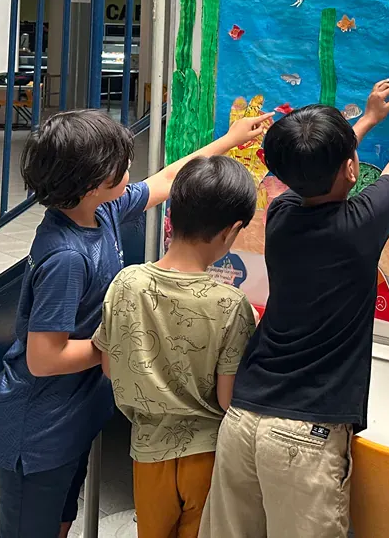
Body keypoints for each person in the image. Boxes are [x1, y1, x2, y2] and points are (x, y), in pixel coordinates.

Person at [0, 108, 271, 538]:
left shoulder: (102, 210)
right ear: (93, 182)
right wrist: (132, 340)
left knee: (61, 519)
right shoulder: (66, 256)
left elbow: (169, 180)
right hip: (39, 430)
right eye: (122, 164)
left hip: (73, 416)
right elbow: (43, 358)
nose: (132, 169)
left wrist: (230, 140)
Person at [199, 72, 389, 538]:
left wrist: (366, 118)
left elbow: (312, 168)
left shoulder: (282, 214)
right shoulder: (361, 224)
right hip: (304, 436)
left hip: (244, 418)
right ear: (351, 169)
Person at [92, 155, 259, 538]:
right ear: (230, 232)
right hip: (208, 454)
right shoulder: (231, 304)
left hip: (148, 451)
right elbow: (227, 399)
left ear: (172, 215)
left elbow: (109, 365)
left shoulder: (126, 283)